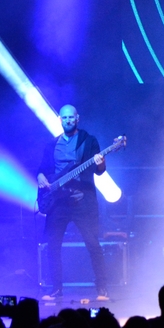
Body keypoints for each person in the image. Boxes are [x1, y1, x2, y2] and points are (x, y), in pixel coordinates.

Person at [36, 104, 110, 301]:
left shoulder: (88, 141)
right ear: (60, 120)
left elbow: (99, 171)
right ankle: (56, 289)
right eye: (65, 118)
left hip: (82, 202)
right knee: (52, 246)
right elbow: (42, 169)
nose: (68, 120)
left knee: (93, 244)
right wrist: (40, 177)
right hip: (58, 203)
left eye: (71, 117)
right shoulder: (52, 145)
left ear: (77, 118)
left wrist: (101, 162)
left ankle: (102, 288)